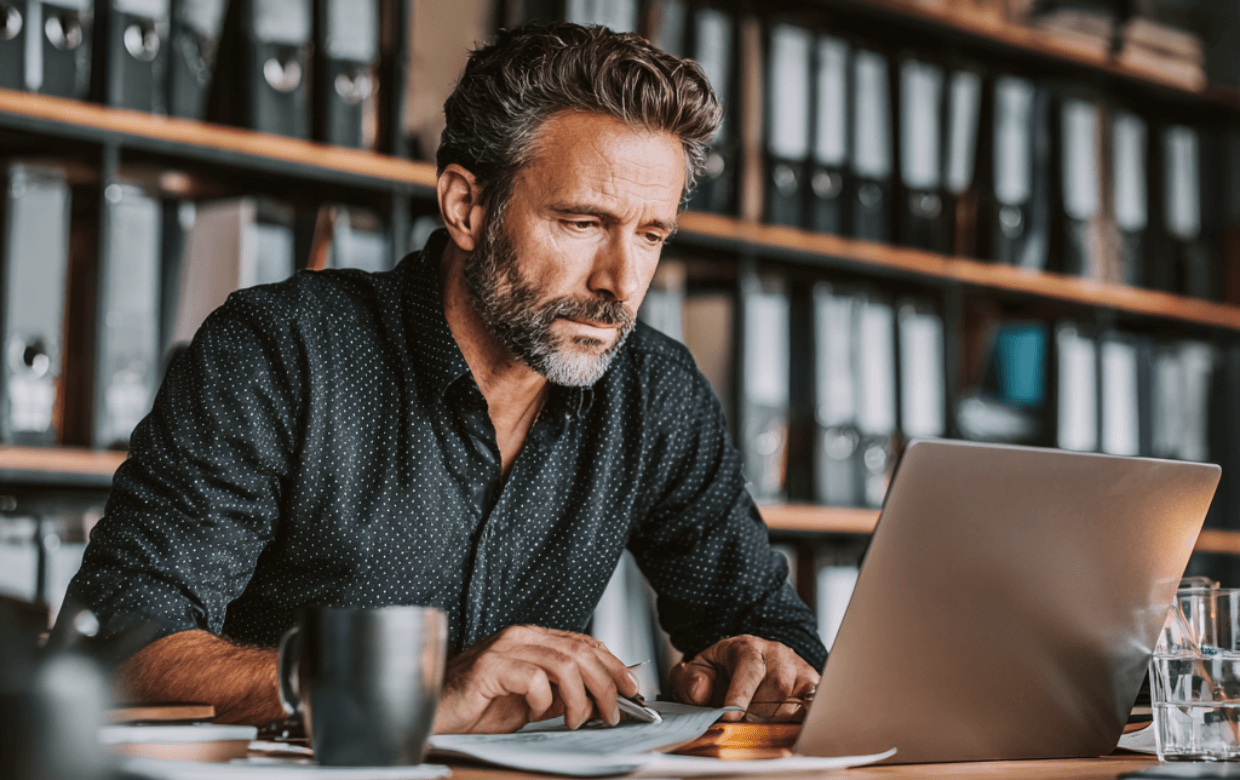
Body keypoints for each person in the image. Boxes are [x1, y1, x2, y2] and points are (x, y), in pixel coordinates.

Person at [64, 22, 826, 733]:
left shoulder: (655, 394)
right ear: (467, 206)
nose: (621, 281)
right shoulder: (282, 351)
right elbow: (118, 644)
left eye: (651, 234)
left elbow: (765, 624)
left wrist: (760, 662)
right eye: (583, 223)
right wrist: (408, 687)